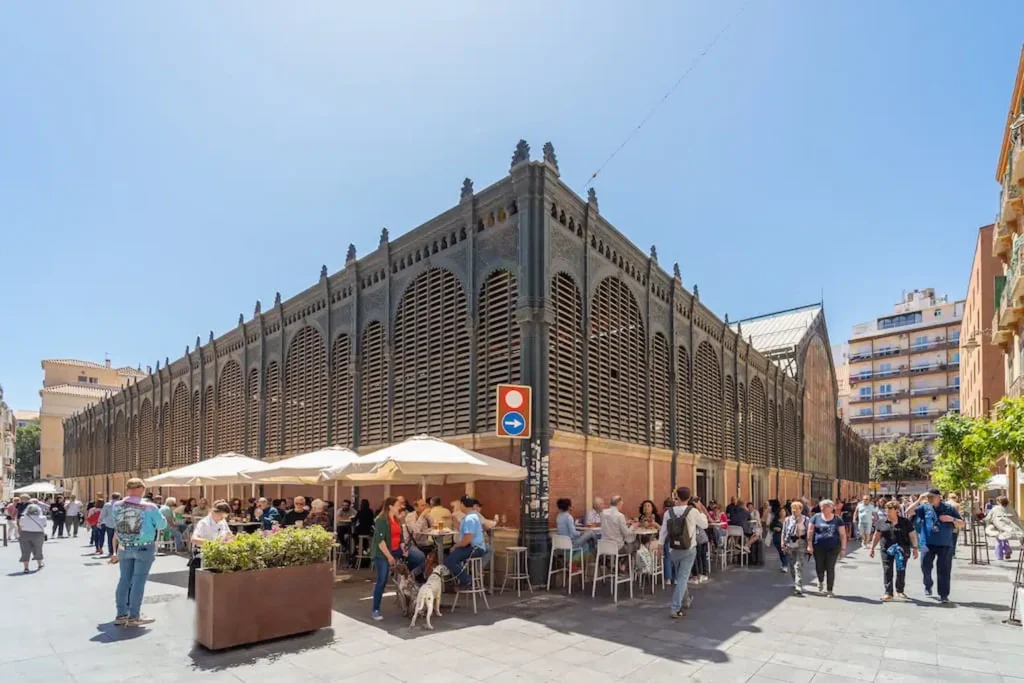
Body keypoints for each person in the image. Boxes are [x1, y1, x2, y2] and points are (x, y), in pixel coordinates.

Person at [110, 478, 167, 626]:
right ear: (141, 489)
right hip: (144, 546)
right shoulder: (149, 506)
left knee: (124, 580)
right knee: (138, 581)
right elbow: (162, 524)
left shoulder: (117, 505)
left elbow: (115, 523)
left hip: (124, 546)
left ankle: (121, 614)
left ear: (127, 489)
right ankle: (134, 616)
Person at [904, 488, 964, 603]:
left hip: (945, 544)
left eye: (932, 497)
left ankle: (944, 595)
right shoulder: (925, 508)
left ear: (939, 497)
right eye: (928, 497)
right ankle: (928, 584)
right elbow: (908, 512)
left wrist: (951, 519)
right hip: (927, 543)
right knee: (925, 566)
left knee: (944, 570)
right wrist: (919, 500)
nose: (930, 499)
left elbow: (961, 524)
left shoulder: (949, 508)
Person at [659, 487, 709, 618]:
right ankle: (675, 608)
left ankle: (686, 600)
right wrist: (700, 509)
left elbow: (663, 531)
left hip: (673, 549)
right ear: (689, 498)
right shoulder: (692, 511)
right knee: (682, 577)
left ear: (677, 496)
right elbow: (705, 525)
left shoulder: (668, 512)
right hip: (688, 548)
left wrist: (660, 545)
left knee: (682, 576)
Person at [870, 500, 919, 601]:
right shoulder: (881, 522)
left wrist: (915, 548)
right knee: (887, 569)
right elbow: (877, 535)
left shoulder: (905, 522)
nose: (887, 511)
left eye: (889, 509)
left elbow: (912, 535)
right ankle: (888, 593)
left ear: (896, 510)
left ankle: (900, 590)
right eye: (886, 509)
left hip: (902, 549)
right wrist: (872, 548)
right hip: (886, 549)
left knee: (900, 569)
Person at [188, 500, 234, 599]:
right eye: (221, 516)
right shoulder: (204, 523)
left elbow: (229, 535)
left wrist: (231, 540)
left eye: (224, 517)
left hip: (217, 554)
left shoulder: (222, 521)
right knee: (199, 585)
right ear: (214, 512)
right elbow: (194, 539)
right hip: (202, 555)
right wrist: (212, 544)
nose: (222, 519)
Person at [371, 497, 405, 620]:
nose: (399, 507)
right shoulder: (382, 520)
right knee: (382, 580)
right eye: (397, 505)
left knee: (418, 557)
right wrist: (390, 557)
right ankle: (375, 609)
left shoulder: (396, 520)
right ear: (390, 507)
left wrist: (403, 547)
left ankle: (405, 586)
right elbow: (380, 542)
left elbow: (399, 536)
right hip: (382, 553)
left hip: (396, 550)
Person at [444, 495, 488, 590]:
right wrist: (454, 520)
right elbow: (463, 529)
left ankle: (466, 580)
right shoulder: (471, 516)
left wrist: (456, 546)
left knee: (449, 560)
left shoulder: (470, 519)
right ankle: (462, 579)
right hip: (473, 546)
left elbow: (467, 539)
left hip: (474, 547)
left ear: (462, 505)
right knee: (453, 558)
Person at [807, 499, 846, 597]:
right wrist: (809, 545)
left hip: (833, 547)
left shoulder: (838, 519)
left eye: (825, 507)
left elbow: (842, 534)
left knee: (830, 567)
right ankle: (820, 581)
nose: (822, 508)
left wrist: (843, 548)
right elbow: (810, 531)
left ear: (831, 508)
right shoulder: (815, 517)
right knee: (819, 566)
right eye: (821, 507)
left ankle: (829, 590)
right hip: (818, 547)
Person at [782, 500, 810, 595]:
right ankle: (795, 581)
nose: (794, 511)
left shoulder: (806, 520)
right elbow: (784, 532)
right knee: (792, 564)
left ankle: (798, 586)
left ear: (801, 509)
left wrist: (809, 544)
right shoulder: (788, 520)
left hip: (801, 542)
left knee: (799, 565)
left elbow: (809, 533)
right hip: (790, 542)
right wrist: (783, 542)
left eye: (796, 509)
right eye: (792, 509)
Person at [984, 496, 1024, 560]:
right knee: (1004, 538)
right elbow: (1017, 516)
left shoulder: (995, 508)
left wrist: (985, 521)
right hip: (1011, 527)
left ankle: (1000, 555)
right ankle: (1007, 551)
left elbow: (988, 518)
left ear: (999, 502)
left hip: (1000, 527)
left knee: (999, 540)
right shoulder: (1011, 508)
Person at [18, 499, 47, 572]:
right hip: (38, 534)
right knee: (38, 549)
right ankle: (39, 564)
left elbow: (21, 526)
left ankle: (26, 568)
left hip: (25, 534)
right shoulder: (42, 518)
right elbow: (44, 525)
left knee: (25, 551)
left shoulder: (23, 518)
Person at [768, 501, 788, 572]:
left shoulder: (788, 520)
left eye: (783, 511)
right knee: (780, 551)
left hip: (786, 537)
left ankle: (785, 565)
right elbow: (770, 527)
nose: (782, 513)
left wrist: (781, 529)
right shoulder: (775, 520)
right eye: (781, 511)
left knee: (784, 551)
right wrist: (774, 528)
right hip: (777, 537)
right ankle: (784, 563)